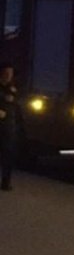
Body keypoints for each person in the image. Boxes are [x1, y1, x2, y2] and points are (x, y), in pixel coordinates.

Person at [0, 61, 19, 191]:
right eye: (6, 73)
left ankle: (5, 183)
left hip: (8, 125)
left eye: (10, 73)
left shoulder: (13, 88)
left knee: (8, 153)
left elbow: (17, 102)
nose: (8, 75)